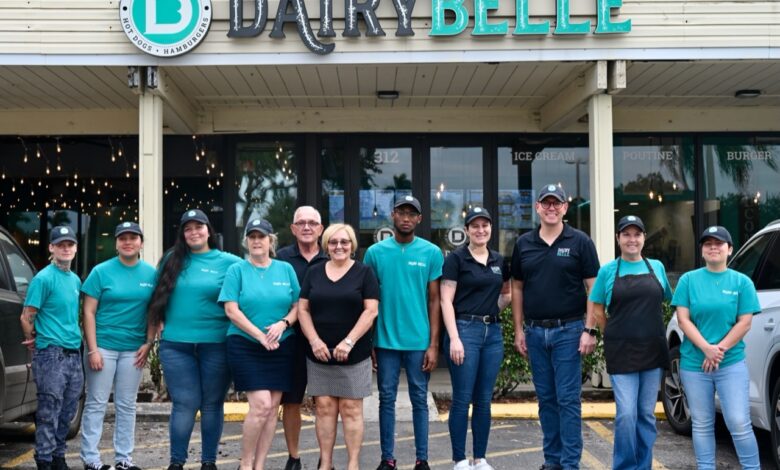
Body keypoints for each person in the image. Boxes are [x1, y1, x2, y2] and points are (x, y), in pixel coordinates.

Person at [510, 184, 600, 470]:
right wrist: (519, 330)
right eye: (546, 203)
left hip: (570, 332)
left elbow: (593, 289)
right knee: (547, 401)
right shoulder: (524, 243)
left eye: (556, 204)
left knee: (568, 401)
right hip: (535, 333)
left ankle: (570, 463)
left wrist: (590, 330)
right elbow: (517, 288)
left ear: (564, 208)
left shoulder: (580, 241)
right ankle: (553, 461)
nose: (551, 208)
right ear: (537, 207)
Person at [147, 209, 242, 470]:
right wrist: (156, 324)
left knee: (212, 404)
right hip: (176, 345)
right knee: (185, 403)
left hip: (217, 343)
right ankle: (176, 463)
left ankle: (208, 463)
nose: (194, 232)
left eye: (198, 227)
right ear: (183, 234)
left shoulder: (230, 263)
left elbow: (250, 292)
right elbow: (155, 295)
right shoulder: (171, 259)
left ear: (208, 230)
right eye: (188, 228)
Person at [363, 195, 444, 470]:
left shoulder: (431, 253)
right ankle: (388, 459)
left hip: (419, 341)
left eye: (412, 213)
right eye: (401, 212)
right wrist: (370, 341)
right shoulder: (375, 253)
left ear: (419, 219)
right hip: (385, 340)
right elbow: (369, 301)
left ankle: (422, 459)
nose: (406, 217)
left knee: (419, 398)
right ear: (393, 216)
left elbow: (435, 300)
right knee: (386, 399)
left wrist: (434, 344)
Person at [672, 225, 760, 470]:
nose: (713, 247)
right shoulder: (688, 280)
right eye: (707, 243)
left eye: (719, 243)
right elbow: (683, 319)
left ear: (729, 249)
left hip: (730, 362)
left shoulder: (742, 282)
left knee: (739, 421)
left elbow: (745, 322)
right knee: (701, 423)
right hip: (693, 363)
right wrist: (705, 348)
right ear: (701, 250)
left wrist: (718, 349)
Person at [588, 215, 672, 470]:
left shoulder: (656, 267)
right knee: (626, 415)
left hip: (652, 350)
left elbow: (666, 298)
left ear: (644, 238)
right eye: (626, 234)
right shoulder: (608, 271)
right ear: (618, 239)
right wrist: (610, 332)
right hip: (621, 351)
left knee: (646, 415)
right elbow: (597, 309)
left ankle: (643, 466)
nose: (632, 239)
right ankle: (624, 466)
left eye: (637, 234)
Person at [219, 218, 300, 470]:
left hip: (281, 345)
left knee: (273, 407)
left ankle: (260, 465)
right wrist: (259, 336)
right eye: (252, 237)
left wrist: (283, 324)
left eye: (261, 236)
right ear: (246, 241)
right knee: (262, 404)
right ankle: (245, 465)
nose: (256, 241)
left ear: (270, 240)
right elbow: (231, 310)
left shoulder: (285, 269)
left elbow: (298, 305)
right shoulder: (237, 270)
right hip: (245, 344)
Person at [298, 223, 380, 470]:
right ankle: (327, 464)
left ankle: (353, 464)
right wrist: (314, 341)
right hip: (319, 353)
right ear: (326, 246)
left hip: (354, 354)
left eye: (344, 242)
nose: (339, 246)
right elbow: (302, 309)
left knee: (351, 409)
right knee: (323, 408)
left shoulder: (364, 273)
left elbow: (371, 311)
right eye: (333, 242)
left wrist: (348, 341)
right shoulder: (314, 273)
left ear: (352, 245)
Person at [80, 222, 157, 470]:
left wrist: (149, 342)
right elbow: (88, 312)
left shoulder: (150, 274)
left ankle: (124, 459)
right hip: (103, 347)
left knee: (127, 405)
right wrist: (92, 349)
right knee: (96, 403)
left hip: (133, 350)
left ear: (141, 243)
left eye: (133, 238)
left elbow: (154, 312)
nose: (128, 242)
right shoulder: (100, 272)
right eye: (122, 238)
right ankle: (90, 459)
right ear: (116, 243)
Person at [440, 208, 510, 470]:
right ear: (467, 230)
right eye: (475, 226)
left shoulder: (499, 260)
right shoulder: (457, 259)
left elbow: (506, 295)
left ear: (491, 228)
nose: (481, 230)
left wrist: (489, 313)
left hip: (492, 333)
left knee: (483, 399)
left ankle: (479, 458)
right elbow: (446, 300)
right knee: (462, 398)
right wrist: (455, 337)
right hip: (463, 331)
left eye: (485, 225)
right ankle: (459, 460)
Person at [20, 226, 83, 470]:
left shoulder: (75, 279)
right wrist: (33, 341)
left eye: (70, 244)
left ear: (76, 248)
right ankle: (44, 459)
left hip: (73, 353)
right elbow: (26, 316)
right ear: (51, 248)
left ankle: (58, 455)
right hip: (51, 354)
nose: (65, 248)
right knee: (49, 411)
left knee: (68, 410)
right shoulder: (43, 278)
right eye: (60, 244)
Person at [276, 206, 328, 470]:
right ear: (293, 228)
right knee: (292, 400)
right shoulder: (281, 258)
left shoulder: (333, 255)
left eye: (312, 223)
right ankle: (293, 457)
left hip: (326, 340)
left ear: (321, 228)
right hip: (291, 340)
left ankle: (325, 459)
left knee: (325, 403)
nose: (307, 227)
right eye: (301, 223)